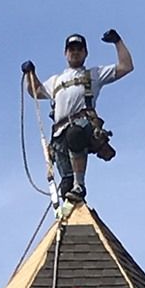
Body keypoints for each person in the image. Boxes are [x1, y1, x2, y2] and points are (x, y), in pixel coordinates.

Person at [22, 29, 133, 202]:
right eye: (71, 49)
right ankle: (70, 214)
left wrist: (117, 42)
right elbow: (35, 91)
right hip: (60, 133)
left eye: (79, 49)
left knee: (76, 134)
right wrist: (31, 73)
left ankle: (79, 185)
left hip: (82, 125)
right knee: (66, 184)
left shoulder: (94, 74)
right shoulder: (56, 81)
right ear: (66, 53)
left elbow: (126, 66)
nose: (75, 52)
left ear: (85, 53)